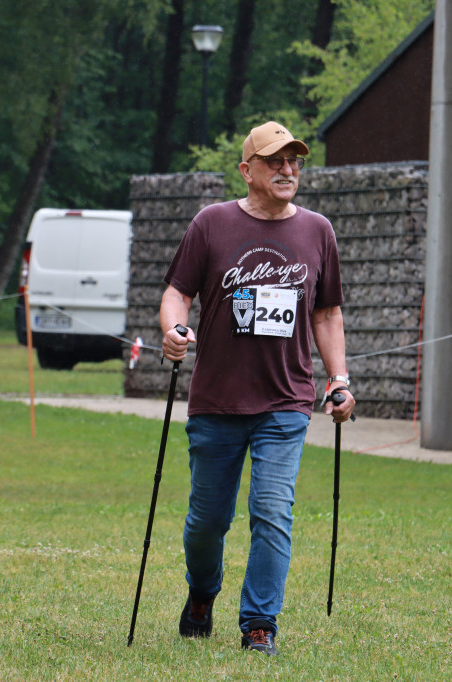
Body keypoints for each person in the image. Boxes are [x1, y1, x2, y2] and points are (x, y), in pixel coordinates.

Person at [159, 121, 355, 656]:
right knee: (207, 522)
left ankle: (258, 624)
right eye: (275, 161)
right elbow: (177, 294)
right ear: (248, 171)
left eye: (293, 161)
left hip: (285, 401)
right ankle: (202, 593)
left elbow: (328, 313)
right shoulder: (211, 224)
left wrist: (339, 381)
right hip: (217, 402)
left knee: (272, 510)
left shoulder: (318, 231)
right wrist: (173, 330)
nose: (287, 170)